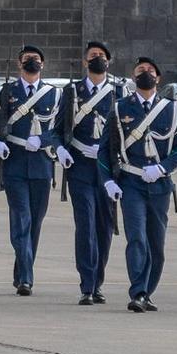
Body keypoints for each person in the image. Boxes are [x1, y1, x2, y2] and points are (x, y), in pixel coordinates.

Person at [98, 55, 177, 312]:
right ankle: (137, 291)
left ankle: (147, 291)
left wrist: (162, 167)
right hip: (131, 182)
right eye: (140, 70)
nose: (145, 73)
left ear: (158, 78)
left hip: (159, 185)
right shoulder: (119, 108)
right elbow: (106, 150)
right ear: (133, 77)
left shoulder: (172, 110)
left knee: (156, 243)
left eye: (150, 70)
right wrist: (108, 181)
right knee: (136, 237)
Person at [0, 44, 63, 295]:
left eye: (36, 59)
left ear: (43, 64)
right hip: (15, 164)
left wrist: (44, 140)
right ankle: (27, 277)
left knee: (35, 224)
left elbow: (61, 129)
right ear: (20, 64)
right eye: (28, 59)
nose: (32, 62)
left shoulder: (54, 95)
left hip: (41, 166)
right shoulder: (7, 92)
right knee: (21, 220)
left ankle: (21, 273)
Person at [55, 42, 120, 304]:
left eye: (102, 57)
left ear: (109, 62)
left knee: (104, 227)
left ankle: (98, 281)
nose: (97, 60)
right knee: (86, 226)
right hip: (80, 167)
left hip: (107, 169)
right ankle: (87, 284)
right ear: (85, 62)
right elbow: (57, 129)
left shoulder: (117, 93)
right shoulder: (72, 92)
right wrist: (60, 149)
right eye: (93, 56)